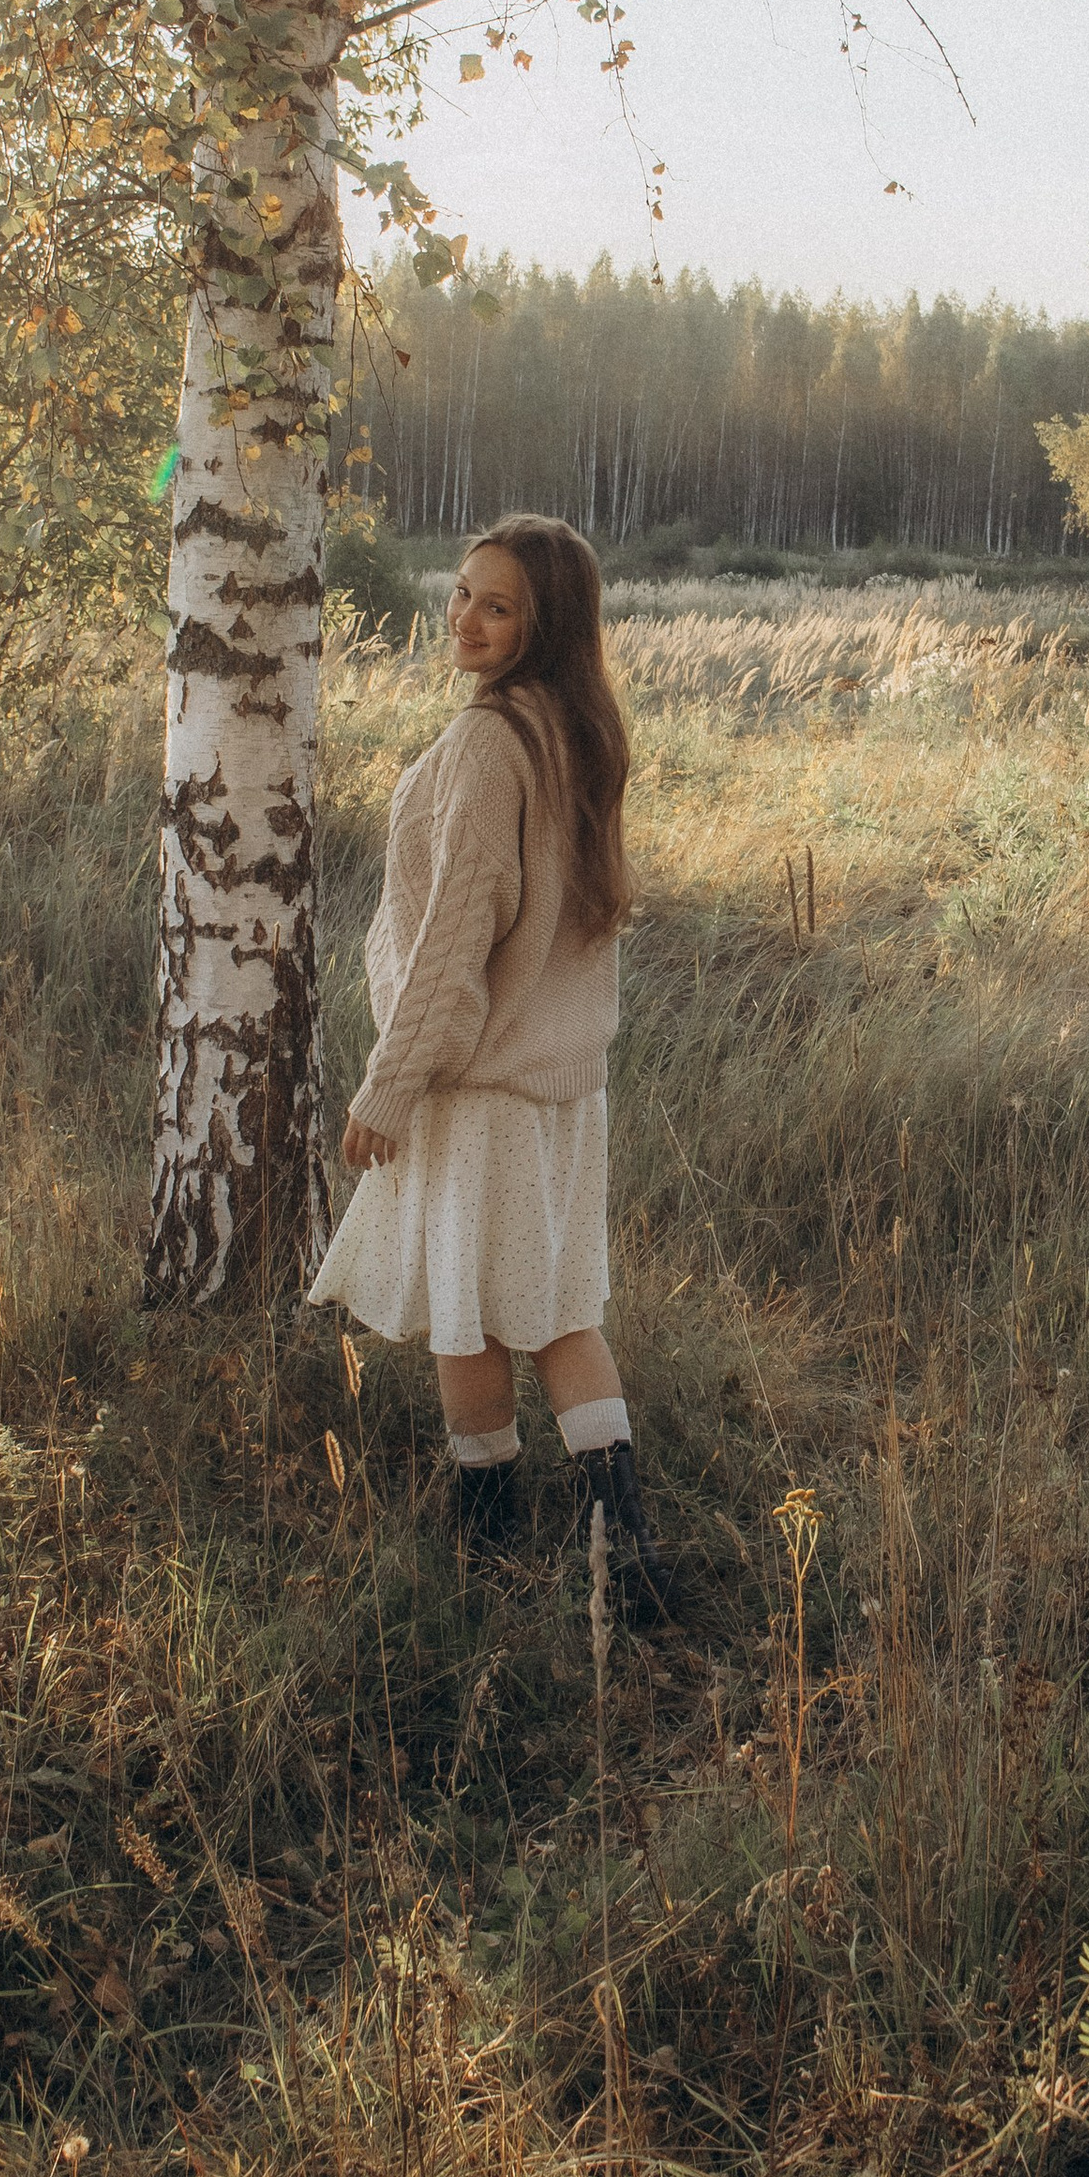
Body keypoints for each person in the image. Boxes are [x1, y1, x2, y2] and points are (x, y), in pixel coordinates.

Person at [308, 512, 672, 1609]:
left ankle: (491, 1536)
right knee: (557, 1309)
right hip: (559, 1090)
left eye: (497, 604)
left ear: (543, 622)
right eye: (462, 592)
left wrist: (389, 1083)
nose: (464, 617)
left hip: (480, 1087)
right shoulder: (577, 727)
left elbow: (452, 939)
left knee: (466, 1309)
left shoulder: (487, 743)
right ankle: (625, 1547)